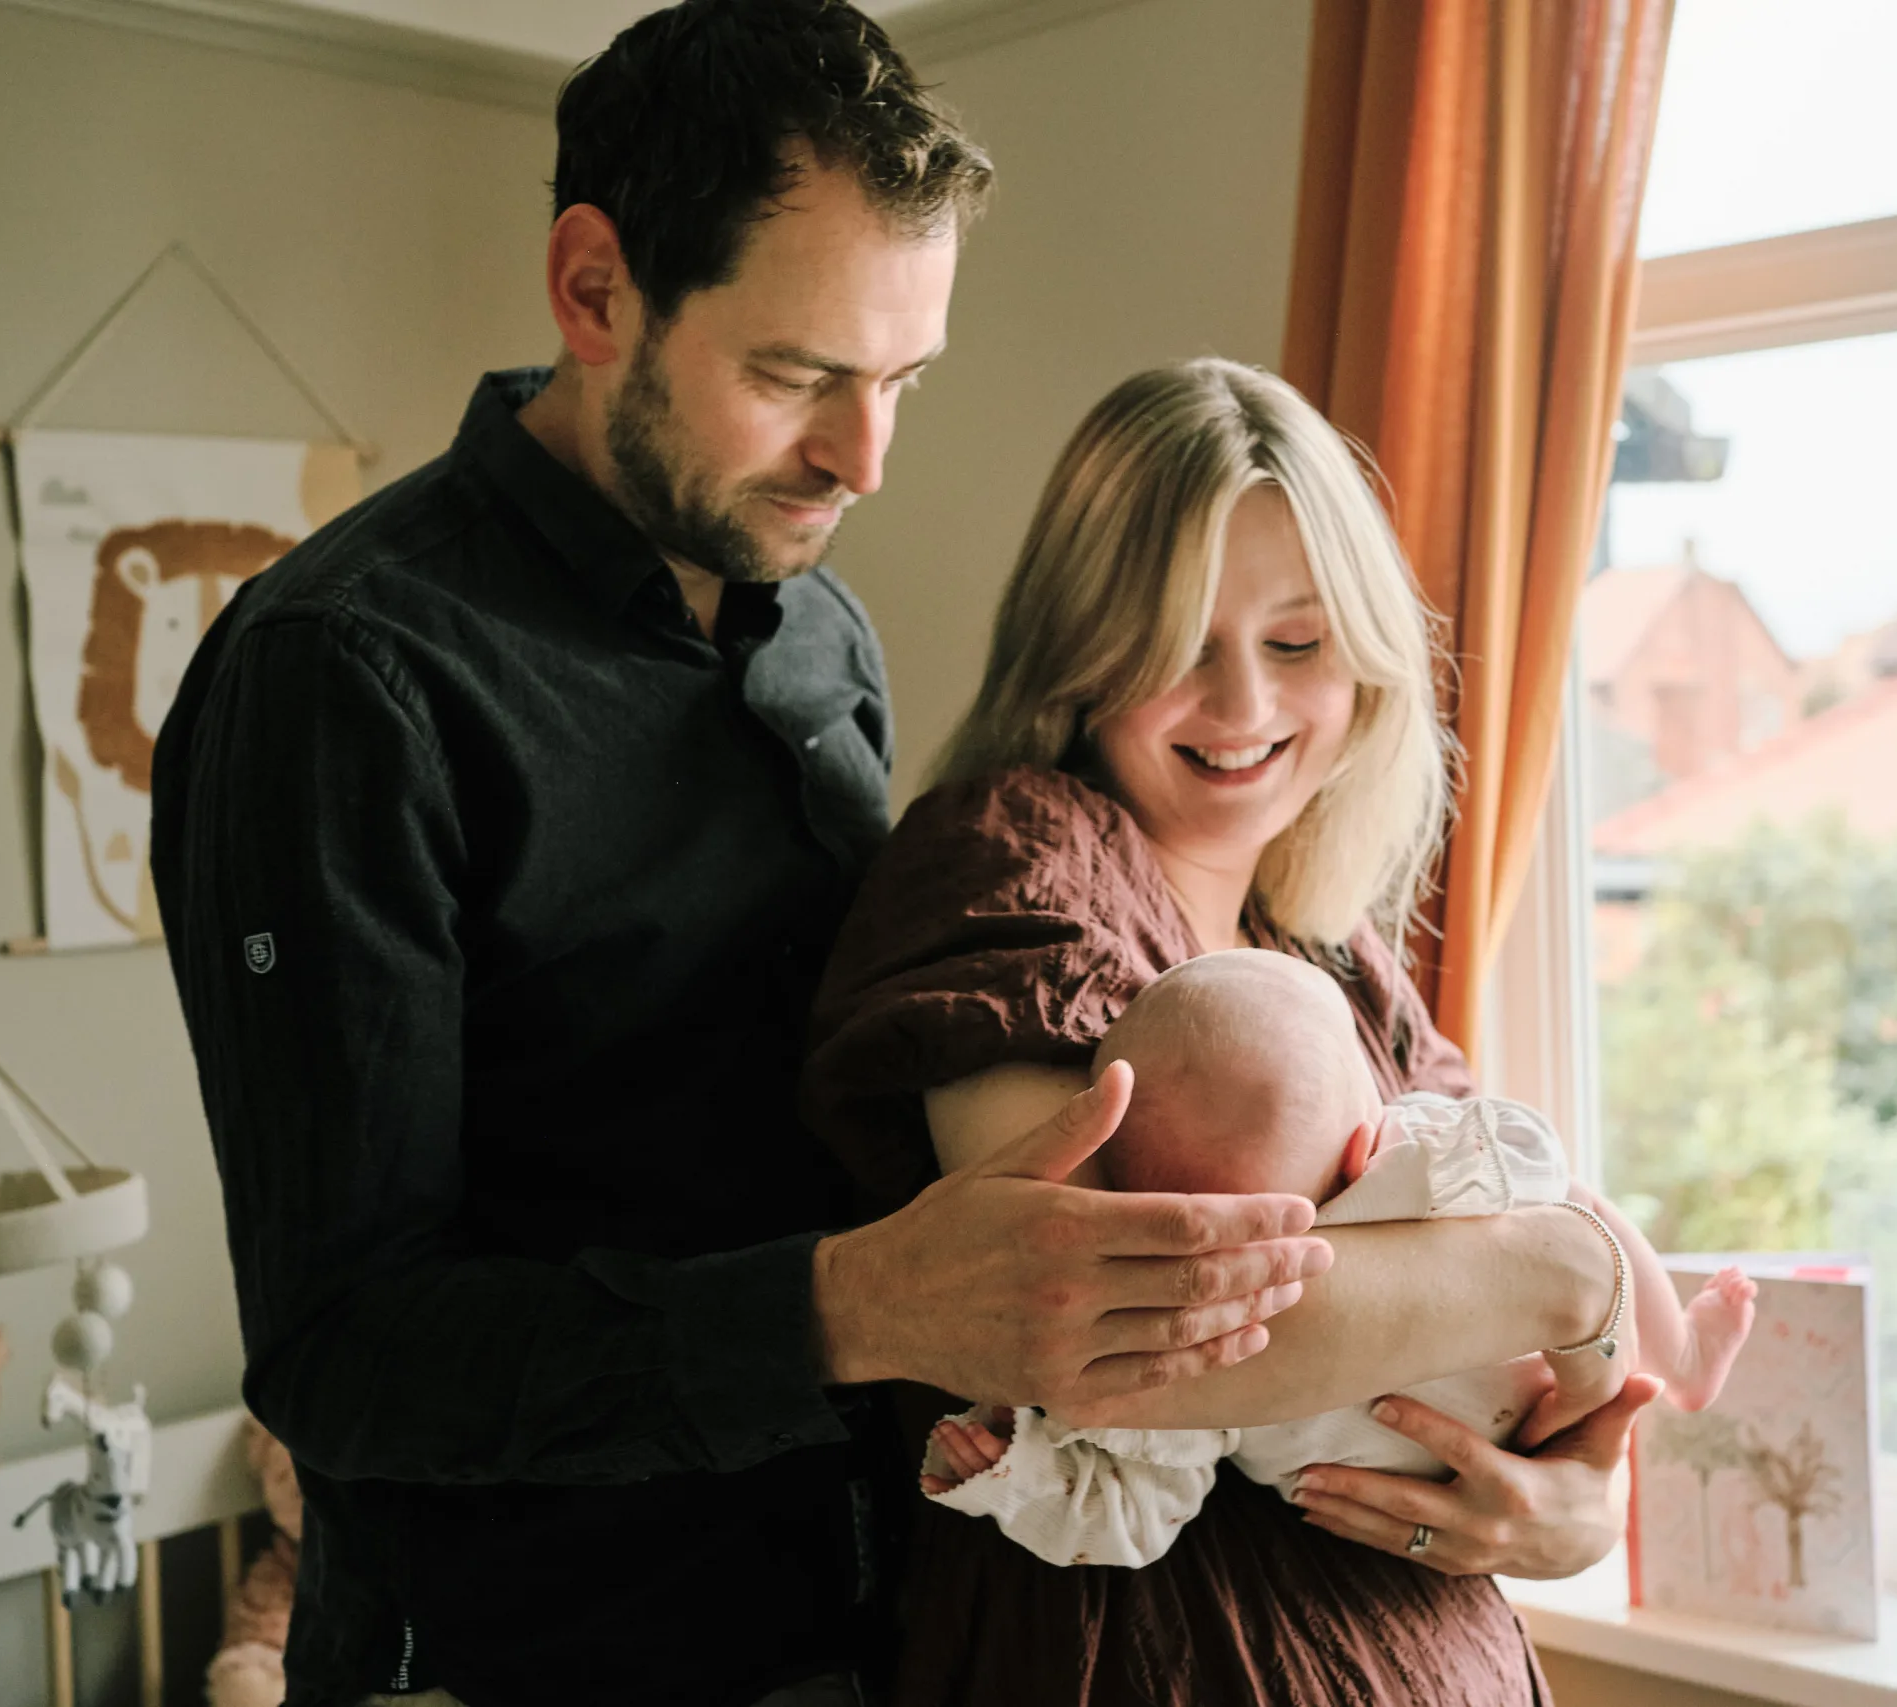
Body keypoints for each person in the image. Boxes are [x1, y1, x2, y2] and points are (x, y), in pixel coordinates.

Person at [149, 9, 1338, 1705]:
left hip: (869, 1630)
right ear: (593, 289)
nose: (866, 459)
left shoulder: (824, 636)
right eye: (798, 377)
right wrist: (855, 1307)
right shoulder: (343, 677)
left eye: (902, 381)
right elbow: (348, 1356)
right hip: (527, 1664)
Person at [805, 358, 1667, 1706]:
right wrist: (1580, 1275)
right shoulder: (1013, 859)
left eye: (1297, 643)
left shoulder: (1330, 942)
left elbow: (1579, 1358)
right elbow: (1118, 1322)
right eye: (1176, 645)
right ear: (1081, 650)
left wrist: (1572, 1502)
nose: (1247, 706)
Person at [915, 950, 1755, 1570]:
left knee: (1576, 1201)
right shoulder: (1204, 1340)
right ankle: (1674, 1354)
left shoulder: (1421, 1163)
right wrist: (1020, 1468)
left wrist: (1590, 1504)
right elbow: (1138, 1513)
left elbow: (1553, 1200)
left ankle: (1680, 1357)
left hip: (1557, 1402)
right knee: (1577, 1209)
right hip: (1445, 1515)